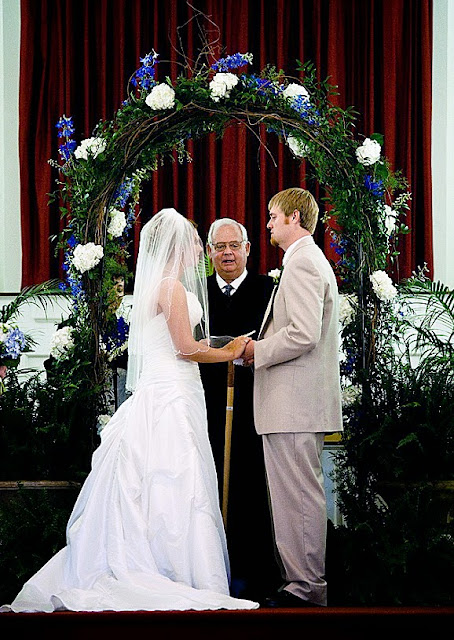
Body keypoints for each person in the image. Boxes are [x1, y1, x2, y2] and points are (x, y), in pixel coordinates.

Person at [1, 208, 258, 613]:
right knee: (176, 477)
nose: (200, 250)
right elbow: (185, 348)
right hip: (171, 391)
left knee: (167, 478)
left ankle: (173, 565)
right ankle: (175, 571)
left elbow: (182, 340)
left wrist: (225, 343)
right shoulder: (171, 289)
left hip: (173, 387)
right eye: (195, 242)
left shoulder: (165, 287)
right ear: (177, 245)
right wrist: (229, 353)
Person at [243, 188, 343, 608]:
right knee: (293, 497)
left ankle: (306, 588)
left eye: (273, 216)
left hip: (294, 404)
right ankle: (299, 583)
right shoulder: (304, 260)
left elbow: (303, 333)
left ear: (294, 217)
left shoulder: (303, 262)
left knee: (298, 497)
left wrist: (257, 350)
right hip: (293, 405)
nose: (267, 223)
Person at [199, 218, 277, 600]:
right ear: (209, 251)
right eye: (220, 246)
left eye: (234, 246)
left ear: (248, 249)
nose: (227, 253)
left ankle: (252, 571)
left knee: (251, 488)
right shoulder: (197, 293)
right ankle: (210, 568)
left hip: (255, 404)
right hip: (207, 406)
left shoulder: (268, 290)